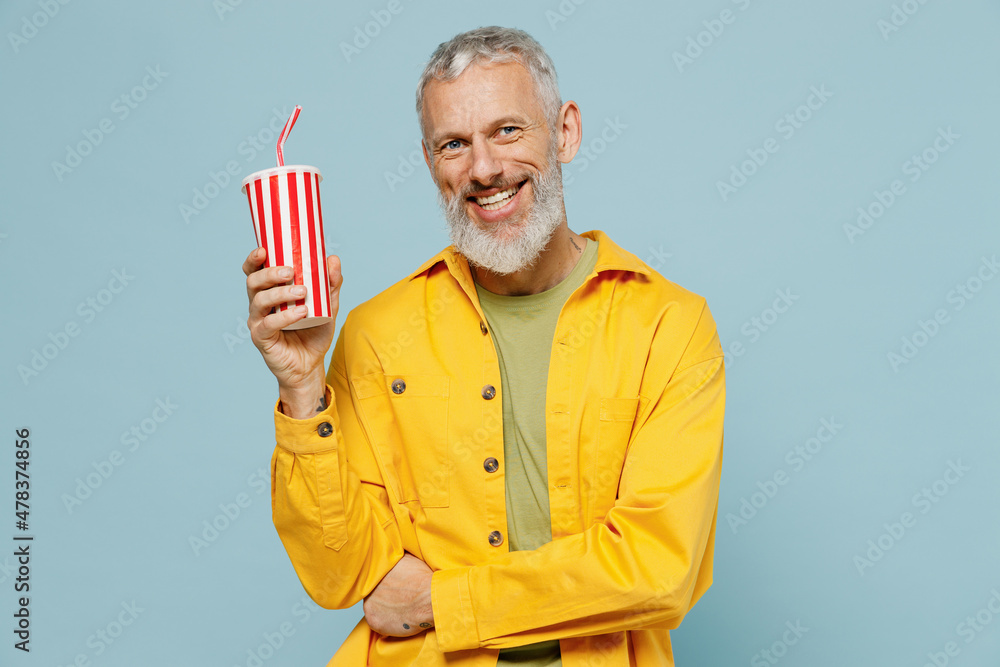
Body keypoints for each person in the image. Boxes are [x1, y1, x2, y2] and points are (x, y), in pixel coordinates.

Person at [243, 26, 725, 667]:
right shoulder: (377, 333)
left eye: (508, 131)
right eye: (453, 144)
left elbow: (658, 569)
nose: (484, 169)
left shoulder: (669, 326)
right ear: (429, 163)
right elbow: (340, 576)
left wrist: (445, 601)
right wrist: (302, 388)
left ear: (565, 133)